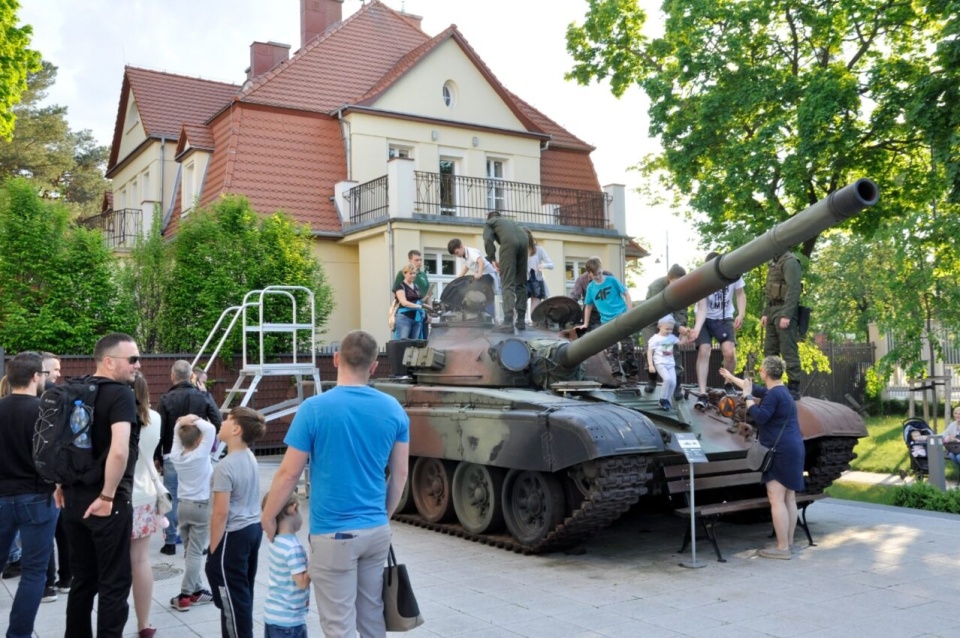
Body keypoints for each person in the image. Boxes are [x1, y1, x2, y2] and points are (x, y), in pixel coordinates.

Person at [262, 330, 409, 638]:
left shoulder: (314, 409)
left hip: (334, 533)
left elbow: (288, 474)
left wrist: (267, 517)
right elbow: (400, 476)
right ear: (373, 367)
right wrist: (382, 516)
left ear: (336, 359)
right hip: (376, 530)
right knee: (371, 617)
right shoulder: (394, 409)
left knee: (338, 625)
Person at [62, 332, 141, 638]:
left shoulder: (73, 390)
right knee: (114, 583)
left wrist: (61, 484)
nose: (137, 365)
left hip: (73, 499)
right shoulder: (120, 394)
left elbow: (60, 444)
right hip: (108, 503)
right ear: (109, 361)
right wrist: (108, 495)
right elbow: (120, 449)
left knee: (83, 581)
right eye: (132, 359)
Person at [720, 357, 805, 559]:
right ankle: (788, 542)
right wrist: (732, 378)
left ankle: (782, 547)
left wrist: (748, 399)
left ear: (764, 372)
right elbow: (755, 388)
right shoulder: (781, 392)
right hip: (793, 447)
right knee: (789, 498)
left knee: (776, 498)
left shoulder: (774, 395)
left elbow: (760, 416)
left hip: (780, 450)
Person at [0, 351, 59, 637]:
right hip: (38, 496)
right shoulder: (45, 412)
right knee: (35, 572)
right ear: (37, 376)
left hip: (1, 496)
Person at [204, 406, 267, 638]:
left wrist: (213, 549)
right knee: (241, 593)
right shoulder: (249, 456)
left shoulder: (225, 466)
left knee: (230, 597)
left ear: (237, 429)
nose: (221, 422)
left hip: (233, 535)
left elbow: (220, 514)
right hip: (252, 530)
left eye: (227, 419)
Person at [156, 359, 223, 555]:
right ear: (191, 376)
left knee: (171, 496)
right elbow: (218, 421)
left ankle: (170, 541)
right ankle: (197, 542)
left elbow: (160, 431)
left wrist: (157, 456)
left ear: (172, 376)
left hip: (171, 455)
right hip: (198, 453)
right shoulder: (203, 397)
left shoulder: (165, 399)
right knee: (198, 495)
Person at [169, 413, 218, 612]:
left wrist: (181, 421)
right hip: (201, 506)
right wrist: (194, 419)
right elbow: (212, 429)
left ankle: (197, 590)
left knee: (190, 551)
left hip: (182, 506)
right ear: (199, 440)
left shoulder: (175, 456)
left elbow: (175, 435)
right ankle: (185, 595)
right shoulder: (200, 455)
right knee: (196, 552)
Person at [688, 251, 747, 402]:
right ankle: (702, 392)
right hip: (705, 318)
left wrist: (740, 314)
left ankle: (728, 383)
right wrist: (697, 328)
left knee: (729, 352)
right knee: (704, 349)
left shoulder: (734, 274)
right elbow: (702, 308)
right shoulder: (703, 279)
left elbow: (740, 294)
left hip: (725, 317)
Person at [130, 374, 162, 638]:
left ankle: (111, 619)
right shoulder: (155, 418)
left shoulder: (111, 417)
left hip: (116, 495)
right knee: (141, 560)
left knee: (111, 562)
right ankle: (144, 623)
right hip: (146, 495)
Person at [576, 257, 641, 381]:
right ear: (589, 274)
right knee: (612, 350)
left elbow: (626, 293)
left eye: (600, 273)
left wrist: (629, 310)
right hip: (606, 322)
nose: (598, 276)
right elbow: (588, 306)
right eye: (595, 275)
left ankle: (633, 373)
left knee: (628, 347)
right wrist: (585, 323)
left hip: (621, 316)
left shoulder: (611, 280)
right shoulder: (591, 288)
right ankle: (616, 374)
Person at [261, 493, 310, 638]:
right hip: (289, 621)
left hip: (273, 615)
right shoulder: (293, 547)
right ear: (293, 508)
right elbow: (302, 582)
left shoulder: (276, 541)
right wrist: (316, 563)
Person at [641, 265, 688, 398]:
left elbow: (682, 310)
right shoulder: (656, 287)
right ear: (669, 279)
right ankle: (652, 379)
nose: (678, 285)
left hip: (672, 321)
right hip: (652, 319)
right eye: (676, 282)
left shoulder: (682, 288)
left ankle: (677, 384)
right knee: (651, 348)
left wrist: (682, 328)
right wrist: (678, 326)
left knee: (673, 351)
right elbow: (657, 311)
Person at [762, 251, 803, 399]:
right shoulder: (775, 262)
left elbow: (794, 289)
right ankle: (772, 384)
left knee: (788, 349)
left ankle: (794, 386)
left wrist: (786, 314)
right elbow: (769, 291)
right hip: (773, 309)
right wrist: (765, 313)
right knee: (769, 350)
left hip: (784, 310)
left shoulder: (790, 261)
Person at [484, 210, 529, 332]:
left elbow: (488, 240)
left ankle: (508, 321)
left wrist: (492, 258)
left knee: (507, 282)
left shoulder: (490, 223)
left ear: (489, 218)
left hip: (509, 243)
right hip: (525, 242)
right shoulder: (510, 222)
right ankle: (521, 320)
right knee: (521, 283)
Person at [448, 237, 501, 318]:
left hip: (487, 274)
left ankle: (488, 315)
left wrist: (479, 273)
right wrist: (459, 278)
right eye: (455, 254)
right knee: (471, 289)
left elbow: (481, 262)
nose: (456, 255)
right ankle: (478, 313)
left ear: (461, 246)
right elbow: (466, 266)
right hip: (482, 274)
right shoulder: (463, 256)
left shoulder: (471, 252)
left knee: (480, 293)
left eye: (457, 252)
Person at [647, 315, 684, 411]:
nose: (669, 331)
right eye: (666, 329)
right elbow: (649, 351)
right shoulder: (655, 338)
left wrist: (686, 334)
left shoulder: (671, 337)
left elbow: (681, 343)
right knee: (667, 379)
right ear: (659, 326)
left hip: (670, 364)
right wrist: (651, 365)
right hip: (660, 363)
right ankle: (662, 400)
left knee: (673, 383)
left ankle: (667, 400)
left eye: (671, 329)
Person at [392, 249, 432, 338]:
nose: (419, 262)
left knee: (420, 342)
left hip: (420, 315)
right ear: (410, 260)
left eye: (421, 260)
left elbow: (424, 298)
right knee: (404, 343)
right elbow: (398, 296)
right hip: (406, 314)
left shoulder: (422, 275)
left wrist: (429, 313)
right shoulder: (401, 275)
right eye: (416, 260)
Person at [392, 264, 424, 340]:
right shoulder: (400, 286)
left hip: (417, 318)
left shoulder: (416, 286)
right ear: (404, 274)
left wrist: (426, 300)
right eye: (410, 273)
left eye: (414, 273)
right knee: (403, 343)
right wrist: (419, 307)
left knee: (415, 344)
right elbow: (404, 302)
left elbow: (418, 301)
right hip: (404, 318)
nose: (413, 275)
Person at [525, 230, 554, 313]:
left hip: (536, 281)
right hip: (523, 281)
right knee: (520, 307)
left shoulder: (539, 249)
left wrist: (543, 265)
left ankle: (534, 324)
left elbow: (551, 264)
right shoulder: (519, 249)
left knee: (535, 311)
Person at [943, 406, 960, 470]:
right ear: (954, 415)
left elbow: (956, 440)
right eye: (956, 413)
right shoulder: (953, 424)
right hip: (956, 448)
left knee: (958, 457)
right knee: (951, 455)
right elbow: (944, 435)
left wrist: (956, 440)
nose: (958, 415)